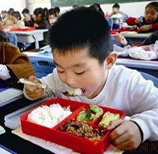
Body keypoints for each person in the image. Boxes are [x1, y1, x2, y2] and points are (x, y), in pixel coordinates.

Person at [23, 7, 158, 151]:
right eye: (60, 69)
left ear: (109, 62)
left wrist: (141, 127)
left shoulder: (128, 82)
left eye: (79, 72)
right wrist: (30, 90)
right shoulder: (58, 78)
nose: (69, 80)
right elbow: (41, 87)